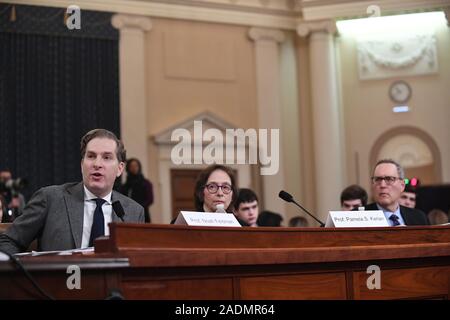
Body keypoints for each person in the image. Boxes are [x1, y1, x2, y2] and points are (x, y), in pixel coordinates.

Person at [0, 129, 145, 255]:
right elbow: (8, 241)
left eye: (106, 157)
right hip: (56, 285)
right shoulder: (50, 199)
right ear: (82, 164)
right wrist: (27, 274)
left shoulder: (133, 211)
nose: (97, 164)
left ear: (120, 169)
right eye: (91, 156)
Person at [362, 159, 428, 226]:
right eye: (378, 179)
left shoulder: (419, 217)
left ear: (402, 186)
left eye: (389, 179)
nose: (382, 185)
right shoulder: (358, 217)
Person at [121, 158, 154, 223]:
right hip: (128, 215)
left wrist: (137, 208)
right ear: (128, 168)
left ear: (139, 167)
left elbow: (150, 199)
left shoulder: (146, 183)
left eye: (136, 166)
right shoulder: (125, 186)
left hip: (143, 214)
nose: (134, 168)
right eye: (132, 166)